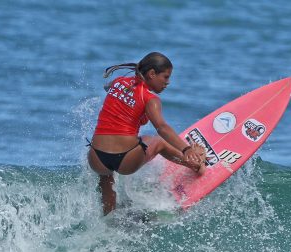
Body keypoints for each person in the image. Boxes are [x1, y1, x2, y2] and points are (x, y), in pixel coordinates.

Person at [87, 52, 205, 215]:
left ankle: (109, 217)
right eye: (165, 77)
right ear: (151, 74)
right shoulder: (150, 99)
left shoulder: (118, 82)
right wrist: (187, 149)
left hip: (96, 158)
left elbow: (108, 87)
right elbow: (162, 128)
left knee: (106, 176)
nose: (168, 83)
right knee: (158, 142)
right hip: (125, 159)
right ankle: (195, 165)